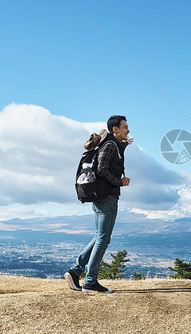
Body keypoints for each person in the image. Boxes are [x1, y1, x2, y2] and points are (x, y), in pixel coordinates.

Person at [65, 115, 131, 293]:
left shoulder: (109, 144)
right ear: (115, 129)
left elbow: (109, 158)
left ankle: (75, 271)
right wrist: (120, 182)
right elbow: (102, 169)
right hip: (107, 197)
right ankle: (90, 282)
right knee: (103, 239)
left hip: (100, 197)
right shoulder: (109, 146)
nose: (128, 130)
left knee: (100, 236)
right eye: (125, 127)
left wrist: (125, 144)